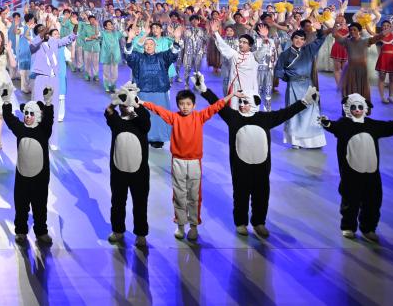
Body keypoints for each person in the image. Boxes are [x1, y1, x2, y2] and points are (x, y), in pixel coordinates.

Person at [194, 75, 315, 237]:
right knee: (240, 195)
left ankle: (259, 222)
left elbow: (286, 113)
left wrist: (304, 102)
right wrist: (203, 89)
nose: (242, 105)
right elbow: (218, 104)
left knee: (261, 195)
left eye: (246, 102)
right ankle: (241, 222)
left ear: (255, 103)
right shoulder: (233, 117)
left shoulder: (265, 118)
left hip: (261, 167)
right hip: (240, 167)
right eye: (241, 102)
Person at [320, 94, 393, 242]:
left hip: (371, 174)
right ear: (348, 108)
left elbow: (390, 126)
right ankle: (348, 226)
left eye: (360, 107)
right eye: (354, 107)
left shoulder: (371, 125)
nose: (357, 110)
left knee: (373, 202)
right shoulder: (344, 124)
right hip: (351, 174)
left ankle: (368, 228)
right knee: (350, 201)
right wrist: (326, 123)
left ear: (365, 108)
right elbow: (334, 127)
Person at [142, 87, 232, 241]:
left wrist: (231, 95)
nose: (185, 107)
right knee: (179, 195)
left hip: (195, 162)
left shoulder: (200, 116)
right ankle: (180, 225)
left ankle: (194, 226)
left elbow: (216, 106)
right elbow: (158, 110)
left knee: (194, 196)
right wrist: (143, 102)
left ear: (194, 105)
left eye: (188, 104)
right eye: (182, 104)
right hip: (178, 162)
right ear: (178, 105)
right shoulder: (174, 117)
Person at [2, 87, 55, 246]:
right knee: (21, 205)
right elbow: (9, 119)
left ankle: (41, 231)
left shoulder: (43, 131)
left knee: (40, 205)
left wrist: (48, 103)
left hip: (40, 177)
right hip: (22, 177)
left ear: (37, 115)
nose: (28, 116)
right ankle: (20, 231)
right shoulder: (21, 129)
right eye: (26, 113)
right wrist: (6, 102)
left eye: (31, 114)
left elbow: (48, 120)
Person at [105, 84, 151, 248]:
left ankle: (141, 233)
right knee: (117, 202)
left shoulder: (141, 123)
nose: (126, 105)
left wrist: (135, 103)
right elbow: (108, 112)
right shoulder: (117, 122)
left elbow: (146, 121)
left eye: (129, 102)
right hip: (119, 172)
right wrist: (115, 102)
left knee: (140, 204)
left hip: (140, 173)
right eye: (124, 103)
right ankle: (118, 230)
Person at [124, 24, 183, 148]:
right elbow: (128, 54)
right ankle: (143, 136)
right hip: (143, 92)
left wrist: (177, 39)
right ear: (143, 47)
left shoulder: (162, 57)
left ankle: (158, 138)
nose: (148, 46)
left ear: (155, 46)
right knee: (144, 115)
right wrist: (129, 39)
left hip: (159, 92)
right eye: (146, 44)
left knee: (159, 115)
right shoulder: (138, 57)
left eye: (151, 44)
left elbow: (173, 53)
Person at [275, 30, 328, 149]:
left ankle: (313, 142)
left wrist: (319, 30)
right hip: (293, 87)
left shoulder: (309, 50)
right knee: (294, 112)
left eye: (302, 39)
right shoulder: (285, 54)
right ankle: (296, 141)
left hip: (308, 85)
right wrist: (288, 78)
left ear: (304, 41)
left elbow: (321, 39)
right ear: (292, 39)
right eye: (296, 38)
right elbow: (278, 70)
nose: (299, 41)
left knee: (311, 112)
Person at [29, 24, 77, 100]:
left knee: (51, 99)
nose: (44, 30)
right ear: (38, 33)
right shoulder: (35, 42)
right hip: (39, 76)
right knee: (38, 98)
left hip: (52, 76)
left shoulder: (53, 41)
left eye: (45, 29)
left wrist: (74, 31)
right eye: (41, 29)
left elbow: (66, 39)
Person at [98, 19, 123, 93]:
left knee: (115, 73)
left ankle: (113, 86)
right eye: (109, 24)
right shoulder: (103, 33)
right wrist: (96, 25)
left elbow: (125, 33)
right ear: (105, 27)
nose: (111, 25)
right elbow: (97, 35)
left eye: (111, 24)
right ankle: (106, 86)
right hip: (106, 56)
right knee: (106, 72)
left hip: (115, 56)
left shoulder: (116, 33)